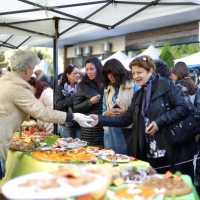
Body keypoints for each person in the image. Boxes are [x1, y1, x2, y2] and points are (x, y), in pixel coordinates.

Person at [90, 55, 198, 181]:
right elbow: (126, 119)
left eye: (139, 72)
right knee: (156, 188)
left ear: (150, 70)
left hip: (175, 150)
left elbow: (182, 107)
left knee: (180, 187)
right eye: (134, 73)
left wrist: (159, 122)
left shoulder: (166, 85)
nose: (135, 76)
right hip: (152, 152)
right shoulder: (139, 94)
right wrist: (100, 119)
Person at [0, 49, 94, 179]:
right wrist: (73, 116)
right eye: (32, 69)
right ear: (27, 69)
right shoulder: (17, 87)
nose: (33, 73)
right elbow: (42, 112)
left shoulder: (5, 81)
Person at [102, 58, 140, 155]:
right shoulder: (108, 89)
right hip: (110, 130)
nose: (110, 76)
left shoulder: (133, 85)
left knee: (126, 160)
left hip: (128, 130)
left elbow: (140, 107)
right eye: (107, 74)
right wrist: (107, 113)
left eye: (112, 72)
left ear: (118, 70)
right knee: (110, 160)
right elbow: (103, 110)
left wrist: (126, 112)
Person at [73, 57, 104, 148]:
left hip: (106, 128)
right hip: (90, 130)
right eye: (87, 69)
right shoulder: (83, 85)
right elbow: (76, 107)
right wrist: (90, 102)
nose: (89, 72)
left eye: (92, 69)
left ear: (98, 68)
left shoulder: (107, 83)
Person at [54, 65, 81, 138]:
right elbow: (58, 105)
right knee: (68, 147)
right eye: (75, 73)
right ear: (68, 75)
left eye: (78, 73)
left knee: (80, 148)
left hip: (79, 123)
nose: (78, 75)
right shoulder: (60, 88)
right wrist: (74, 97)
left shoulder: (81, 88)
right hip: (66, 123)